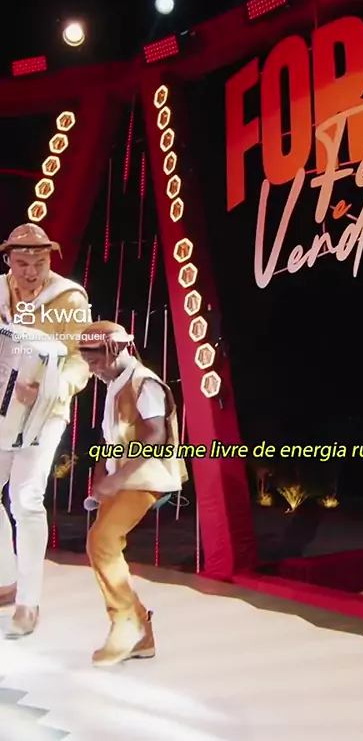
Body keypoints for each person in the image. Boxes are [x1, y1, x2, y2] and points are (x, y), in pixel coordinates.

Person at [78, 320, 188, 667]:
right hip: (122, 477)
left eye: (95, 360)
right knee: (101, 546)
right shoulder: (115, 383)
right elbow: (111, 437)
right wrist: (102, 474)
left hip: (144, 477)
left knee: (102, 542)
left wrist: (118, 478)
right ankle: (140, 629)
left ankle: (127, 623)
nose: (92, 369)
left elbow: (155, 435)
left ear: (115, 350)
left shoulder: (145, 383)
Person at [0, 223, 91, 637]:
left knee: (26, 498)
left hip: (45, 411)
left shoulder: (69, 298)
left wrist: (54, 387)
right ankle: (7, 578)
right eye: (23, 263)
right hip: (3, 407)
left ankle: (28, 602)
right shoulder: (1, 292)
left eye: (39, 262)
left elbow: (80, 358)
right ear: (9, 261)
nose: (32, 272)